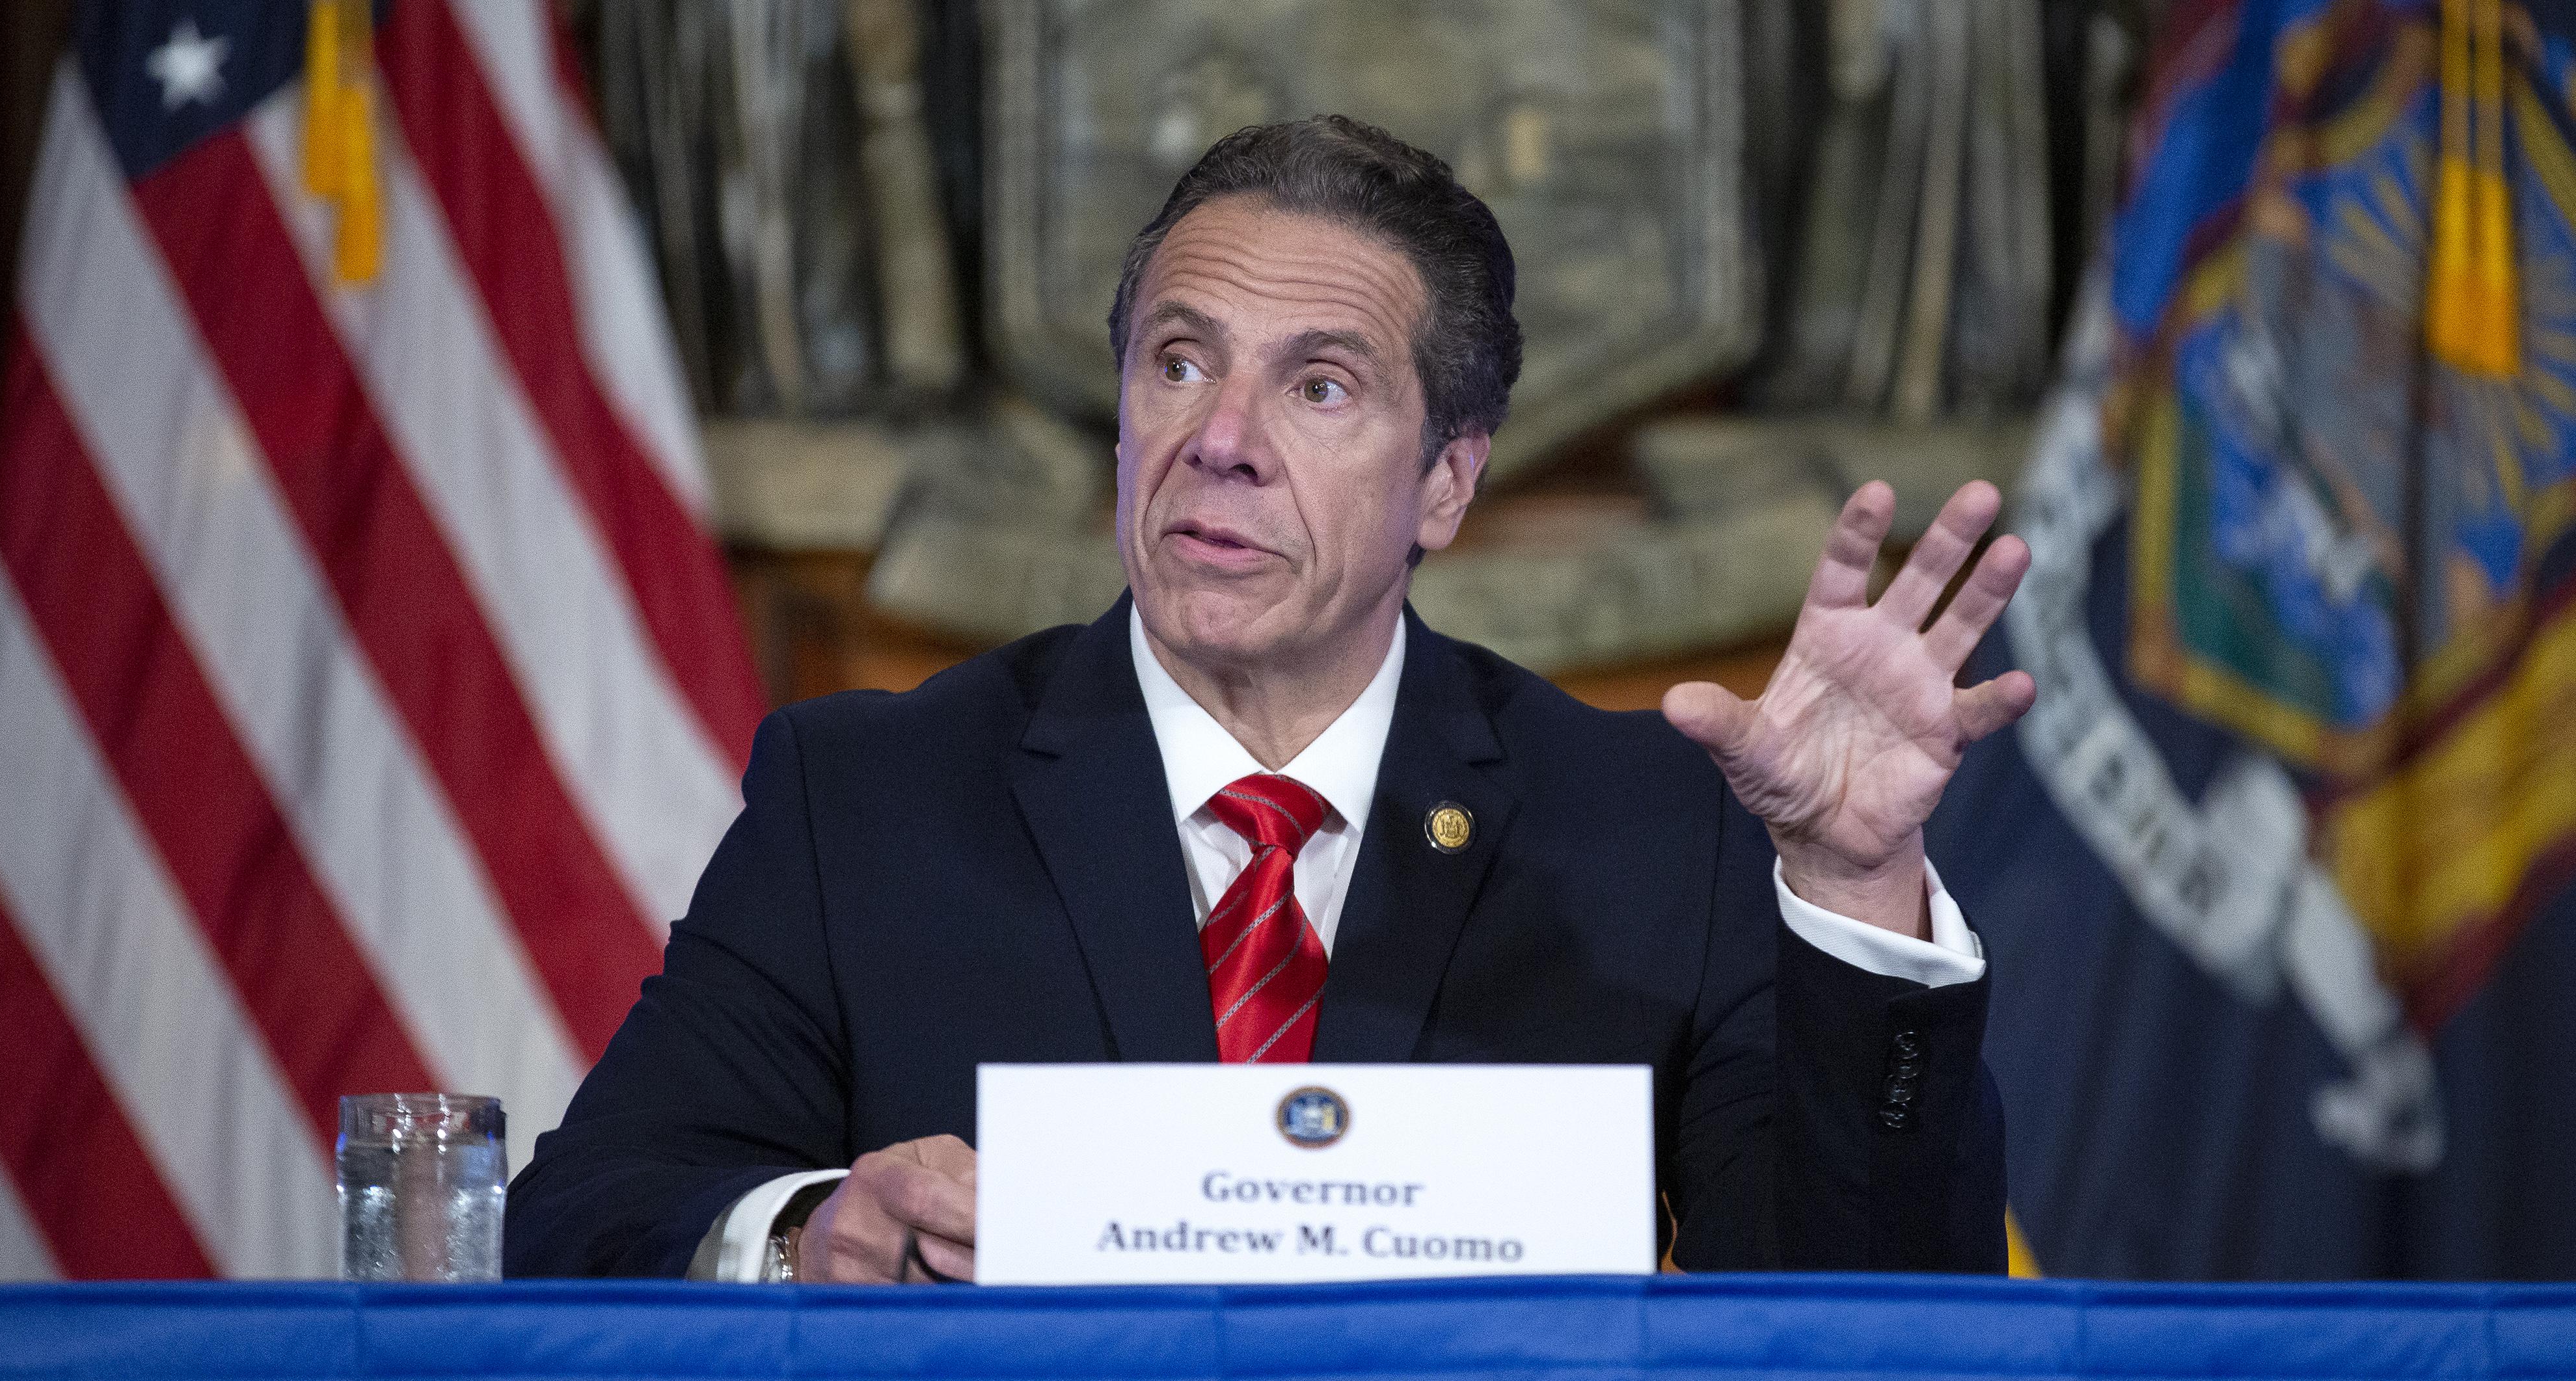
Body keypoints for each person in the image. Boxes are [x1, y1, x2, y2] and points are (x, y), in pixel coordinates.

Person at [504, 116, 2033, 1282]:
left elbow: (1863, 1305)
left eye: (1317, 387)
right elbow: (578, 1216)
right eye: (1177, 362)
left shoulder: (1645, 827)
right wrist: (805, 1236)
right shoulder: (869, 797)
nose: (1217, 438)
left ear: (1445, 477)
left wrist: (1853, 887)